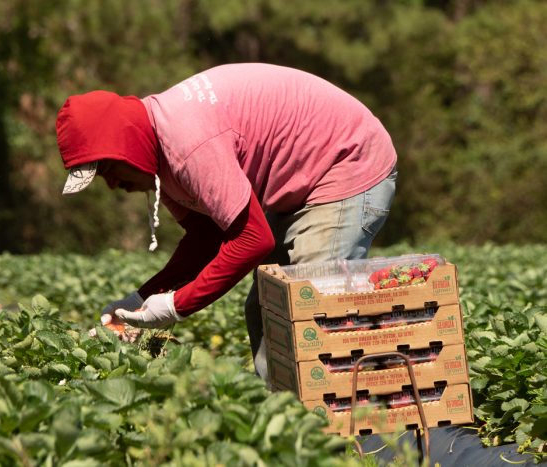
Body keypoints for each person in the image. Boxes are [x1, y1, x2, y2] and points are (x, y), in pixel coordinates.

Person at [56, 63, 397, 380]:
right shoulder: (163, 153)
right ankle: (293, 430)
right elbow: (207, 239)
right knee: (267, 307)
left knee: (310, 302)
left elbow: (253, 240)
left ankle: (354, 423)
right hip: (303, 181)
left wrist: (177, 305)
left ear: (125, 147)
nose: (113, 185)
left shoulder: (188, 147)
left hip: (346, 160)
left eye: (108, 170)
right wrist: (140, 300)